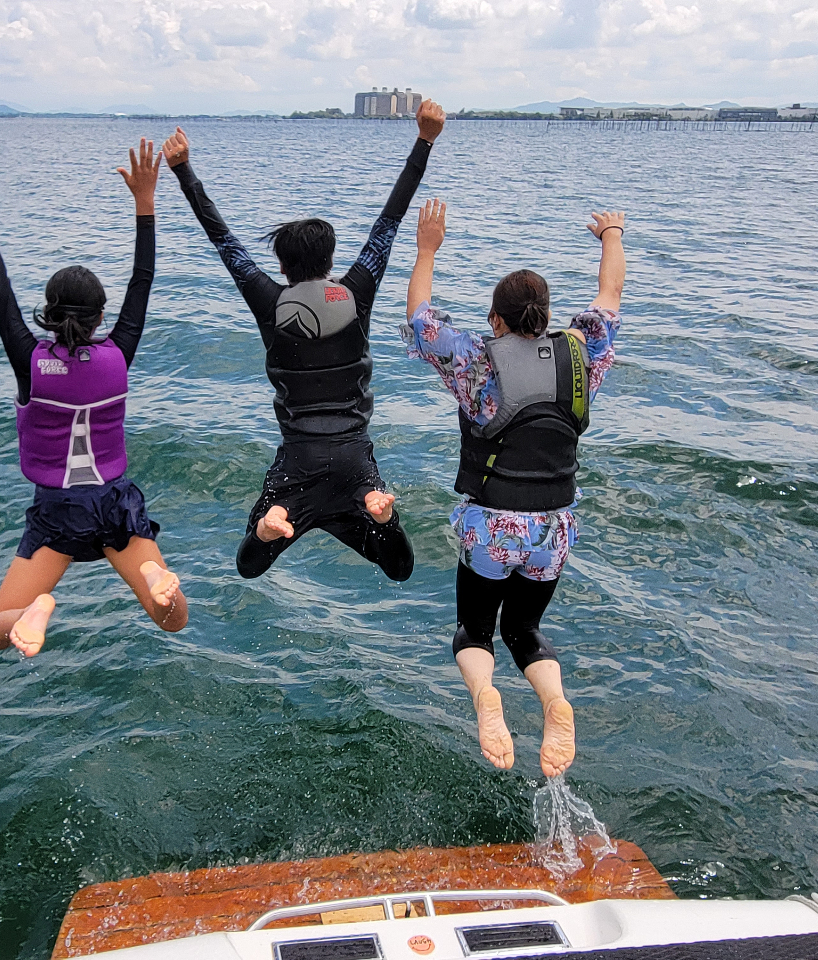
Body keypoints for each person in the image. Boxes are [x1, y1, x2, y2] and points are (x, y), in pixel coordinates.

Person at [160, 100, 446, 582]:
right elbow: (389, 223)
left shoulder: (267, 300)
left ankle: (273, 528)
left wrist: (184, 170)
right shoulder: (357, 291)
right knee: (399, 567)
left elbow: (222, 238)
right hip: (355, 462)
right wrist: (424, 141)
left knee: (249, 564)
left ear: (283, 267)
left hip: (298, 464)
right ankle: (383, 514)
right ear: (330, 260)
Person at [402, 198, 626, 777]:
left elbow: (421, 321)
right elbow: (611, 298)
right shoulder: (583, 352)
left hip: (493, 524)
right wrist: (611, 236)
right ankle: (554, 701)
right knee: (523, 629)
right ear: (546, 317)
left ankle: (486, 699)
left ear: (496, 321)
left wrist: (428, 248)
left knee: (475, 632)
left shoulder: (477, 361)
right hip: (554, 526)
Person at [0, 135, 188, 655]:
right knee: (172, 621)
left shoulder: (30, 362)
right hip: (117, 505)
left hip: (57, 512)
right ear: (101, 316)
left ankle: (34, 612)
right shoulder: (118, 353)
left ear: (49, 313)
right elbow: (143, 279)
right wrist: (145, 204)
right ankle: (155, 580)